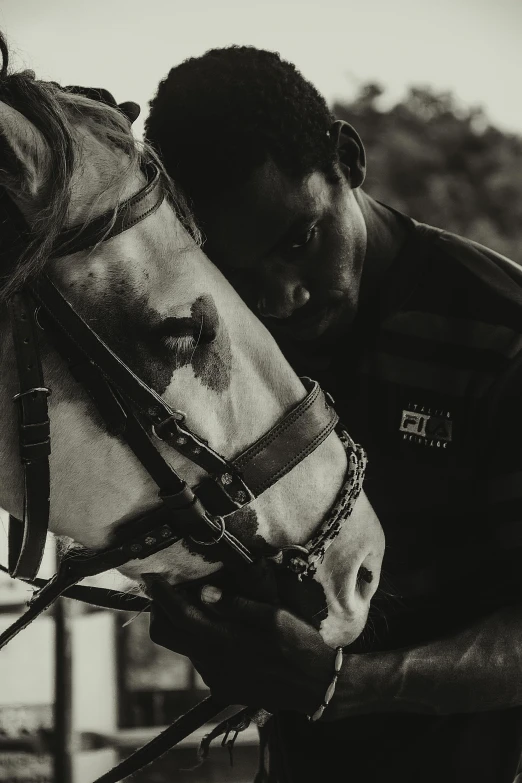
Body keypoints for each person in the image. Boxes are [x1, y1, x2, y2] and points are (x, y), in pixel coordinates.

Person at [143, 47, 522, 782]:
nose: (282, 297)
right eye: (239, 274)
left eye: (300, 239)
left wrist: (341, 685)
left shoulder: (502, 332)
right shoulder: (226, 342)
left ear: (347, 158)